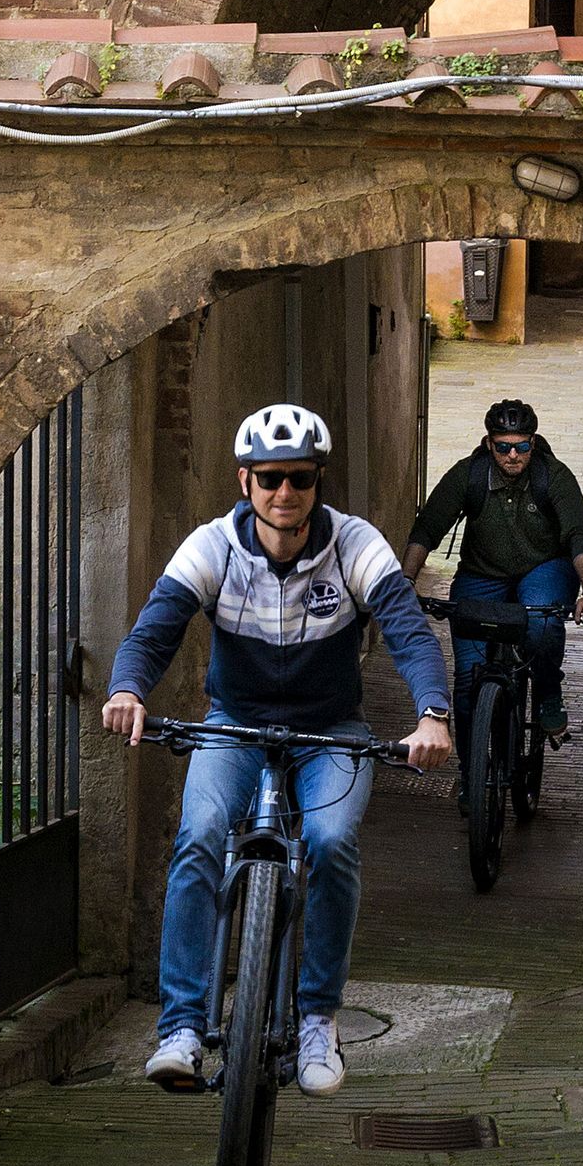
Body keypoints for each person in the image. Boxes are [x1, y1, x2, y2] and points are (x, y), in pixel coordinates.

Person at [100, 404, 453, 1099]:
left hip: (333, 731)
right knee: (200, 833)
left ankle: (318, 1017)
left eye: (298, 479)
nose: (284, 494)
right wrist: (129, 690)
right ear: (245, 481)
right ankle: (181, 1030)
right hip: (235, 724)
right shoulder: (212, 547)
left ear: (318, 482)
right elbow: (154, 630)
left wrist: (432, 715)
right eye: (269, 479)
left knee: (329, 840)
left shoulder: (355, 546)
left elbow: (409, 631)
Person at [403, 398, 583, 752]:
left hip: (544, 567)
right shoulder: (468, 474)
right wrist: (405, 581)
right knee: (467, 679)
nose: (513, 455)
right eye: (504, 447)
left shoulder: (553, 476)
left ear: (534, 444)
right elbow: (427, 528)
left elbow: (578, 535)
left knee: (541, 625)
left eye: (522, 446)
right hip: (482, 574)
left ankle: (547, 695)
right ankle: (470, 775)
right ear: (488, 444)